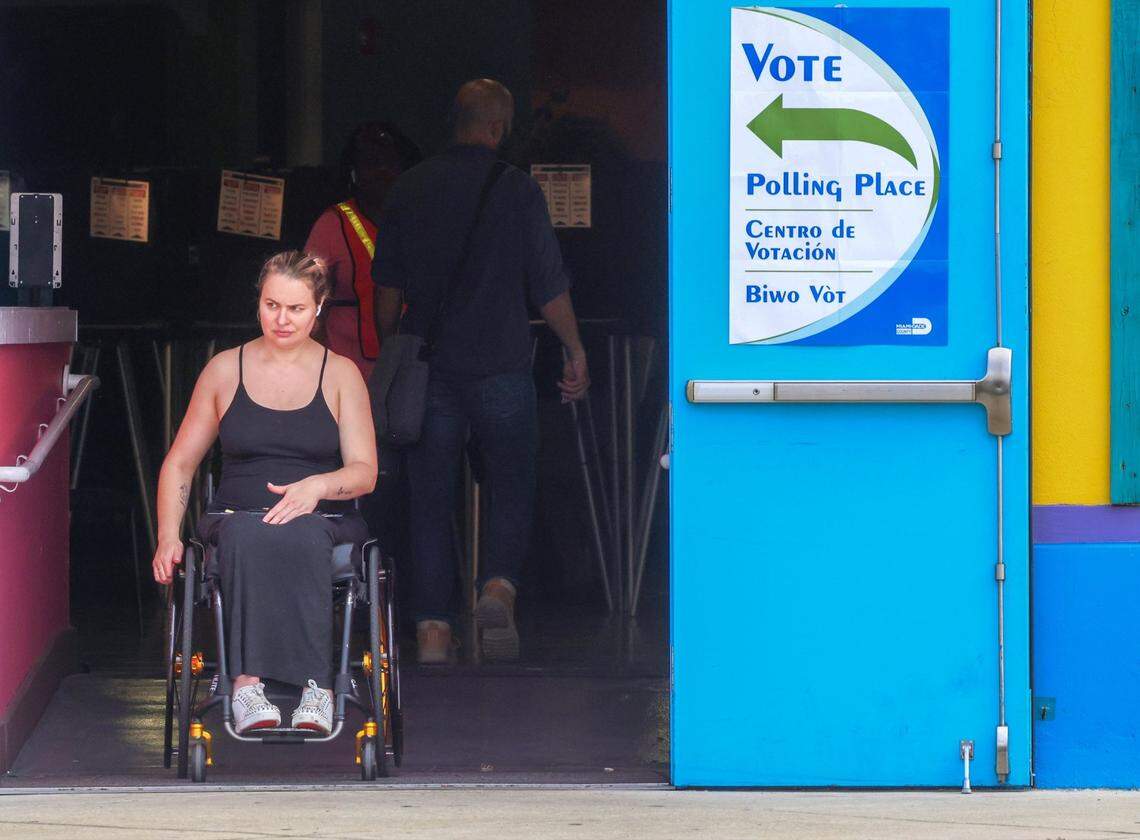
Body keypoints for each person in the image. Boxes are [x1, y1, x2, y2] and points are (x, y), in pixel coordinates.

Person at [374, 79, 590, 665]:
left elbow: (387, 289)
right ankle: (497, 588)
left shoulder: (410, 187)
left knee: (428, 498)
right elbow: (549, 284)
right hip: (500, 364)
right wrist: (573, 348)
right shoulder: (518, 190)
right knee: (514, 481)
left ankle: (433, 631)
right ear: (496, 128)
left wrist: (392, 346)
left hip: (432, 366)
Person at [151, 251, 378, 734]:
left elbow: (364, 471)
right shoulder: (223, 369)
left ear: (318, 308)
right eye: (272, 305)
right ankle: (246, 685)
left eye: (295, 308)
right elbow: (181, 463)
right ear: (258, 302)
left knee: (301, 534)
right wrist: (169, 534)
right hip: (237, 513)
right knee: (246, 534)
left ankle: (317, 686)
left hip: (324, 518)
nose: (282, 319)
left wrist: (316, 487)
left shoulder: (340, 374)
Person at [304, 123, 419, 379]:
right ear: (354, 173)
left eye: (390, 163)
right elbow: (305, 301)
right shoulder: (332, 224)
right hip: (345, 373)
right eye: (371, 163)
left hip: (407, 371)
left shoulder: (418, 221)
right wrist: (322, 370)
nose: (382, 172)